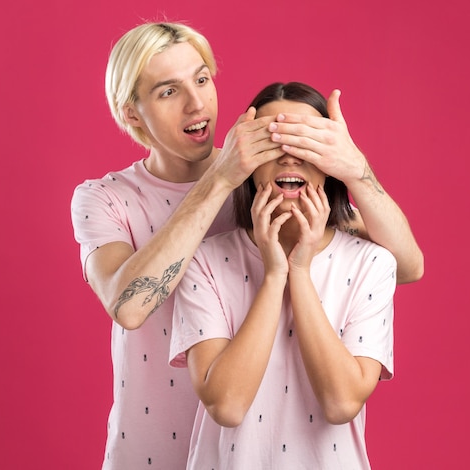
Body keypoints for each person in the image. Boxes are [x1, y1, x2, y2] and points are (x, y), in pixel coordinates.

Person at [70, 21, 422, 470]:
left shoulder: (261, 177)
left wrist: (356, 169)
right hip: (149, 452)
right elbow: (130, 305)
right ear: (131, 114)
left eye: (201, 79)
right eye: (167, 91)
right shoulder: (104, 197)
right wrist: (220, 179)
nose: (197, 103)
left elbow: (405, 265)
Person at [170, 82, 396, 469]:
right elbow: (226, 405)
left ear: (331, 165)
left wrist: (300, 272)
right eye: (273, 143)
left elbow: (342, 402)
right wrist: (274, 274)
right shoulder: (204, 260)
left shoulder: (371, 264)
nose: (290, 157)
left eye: (307, 143)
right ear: (248, 163)